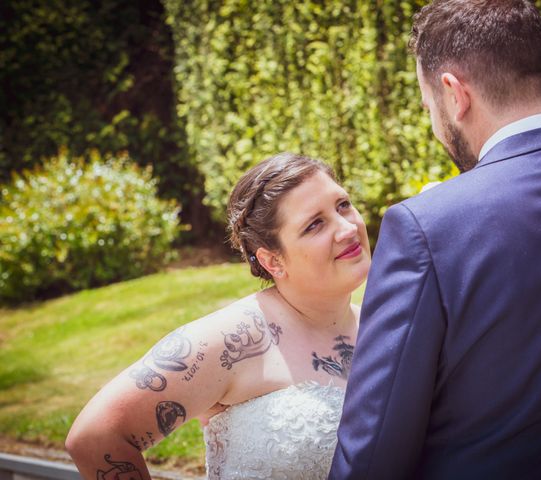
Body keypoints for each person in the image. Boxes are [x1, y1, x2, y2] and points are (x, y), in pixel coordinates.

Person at [330, 1, 541, 479]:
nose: (434, 122)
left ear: (454, 93)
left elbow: (373, 454)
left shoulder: (424, 227)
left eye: (427, 103)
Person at [65, 152, 371, 479]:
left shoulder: (379, 326)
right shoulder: (233, 339)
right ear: (273, 261)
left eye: (343, 205)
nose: (347, 228)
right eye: (314, 224)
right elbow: (95, 437)